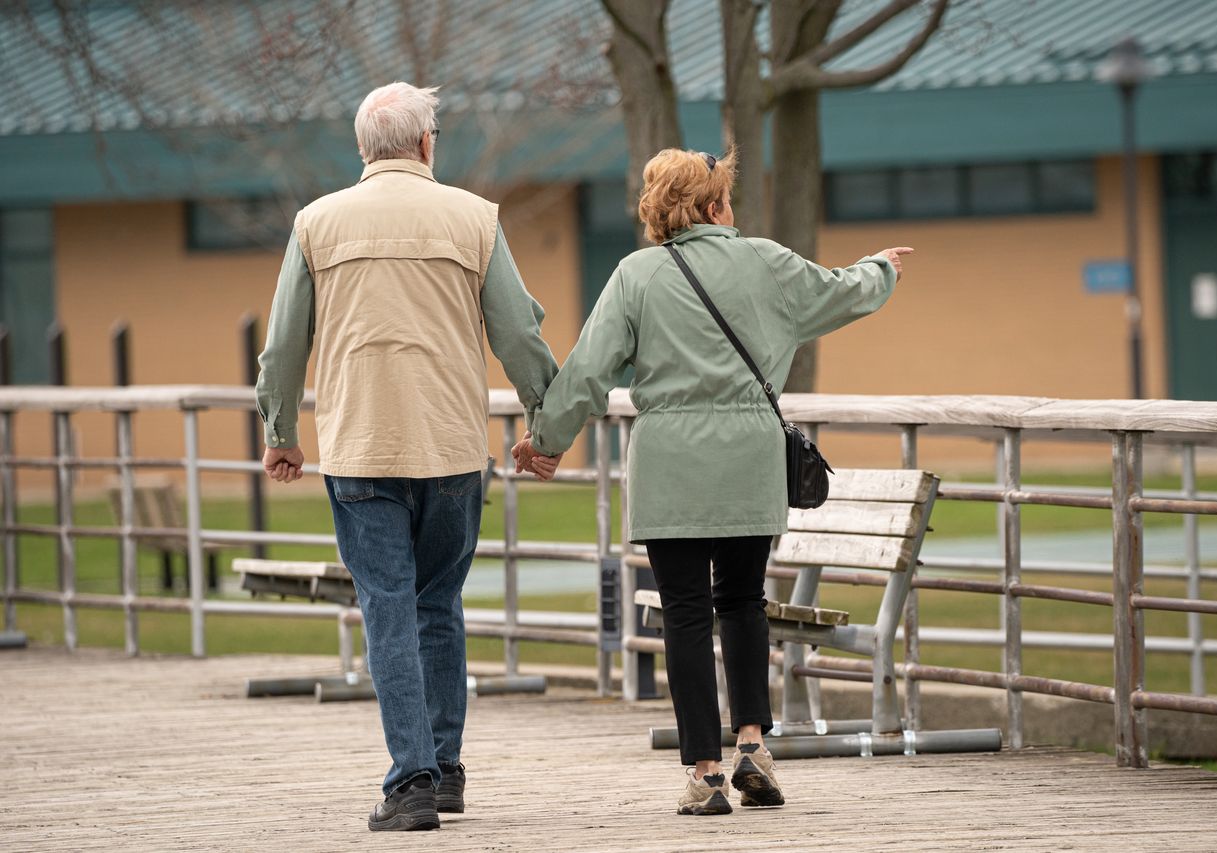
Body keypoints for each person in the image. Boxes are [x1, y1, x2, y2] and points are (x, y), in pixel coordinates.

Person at [513, 147, 910, 815]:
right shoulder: (766, 262)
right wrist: (884, 269)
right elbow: (842, 292)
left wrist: (546, 440)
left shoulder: (634, 276)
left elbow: (587, 371)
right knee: (744, 601)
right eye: (725, 194)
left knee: (687, 615)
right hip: (750, 462)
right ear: (712, 206)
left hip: (672, 467)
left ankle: (704, 771)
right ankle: (753, 742)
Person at [256, 81, 558, 832]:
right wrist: (546, 425)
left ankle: (412, 780)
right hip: (452, 443)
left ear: (364, 147)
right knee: (437, 603)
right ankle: (445, 766)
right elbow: (519, 335)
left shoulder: (316, 224)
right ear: (427, 144)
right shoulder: (474, 218)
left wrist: (281, 431)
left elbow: (285, 342)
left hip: (361, 445)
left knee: (386, 604)